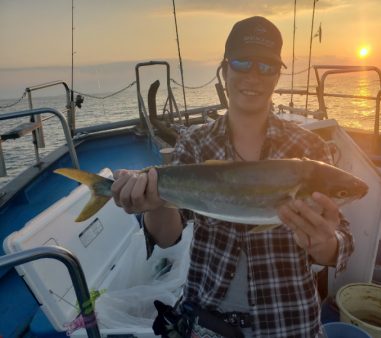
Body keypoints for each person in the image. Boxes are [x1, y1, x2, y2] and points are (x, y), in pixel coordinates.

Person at [111, 16, 354, 338]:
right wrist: (153, 203)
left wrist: (324, 243)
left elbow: (342, 241)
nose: (253, 75)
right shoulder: (195, 142)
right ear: (224, 70)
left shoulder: (308, 148)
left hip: (288, 320)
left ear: (277, 75)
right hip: (208, 316)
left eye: (266, 66)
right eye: (242, 63)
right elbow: (168, 236)